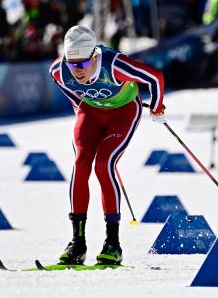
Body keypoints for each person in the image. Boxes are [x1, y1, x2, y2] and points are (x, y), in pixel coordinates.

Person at [49, 25, 166, 265]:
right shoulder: (60, 70)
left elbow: (155, 78)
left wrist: (156, 105)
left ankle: (113, 244)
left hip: (122, 114)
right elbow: (67, 88)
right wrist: (80, 104)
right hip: (91, 113)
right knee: (81, 164)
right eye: (72, 64)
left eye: (81, 64)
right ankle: (77, 244)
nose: (76, 71)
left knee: (104, 164)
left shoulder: (115, 65)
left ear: (94, 56)